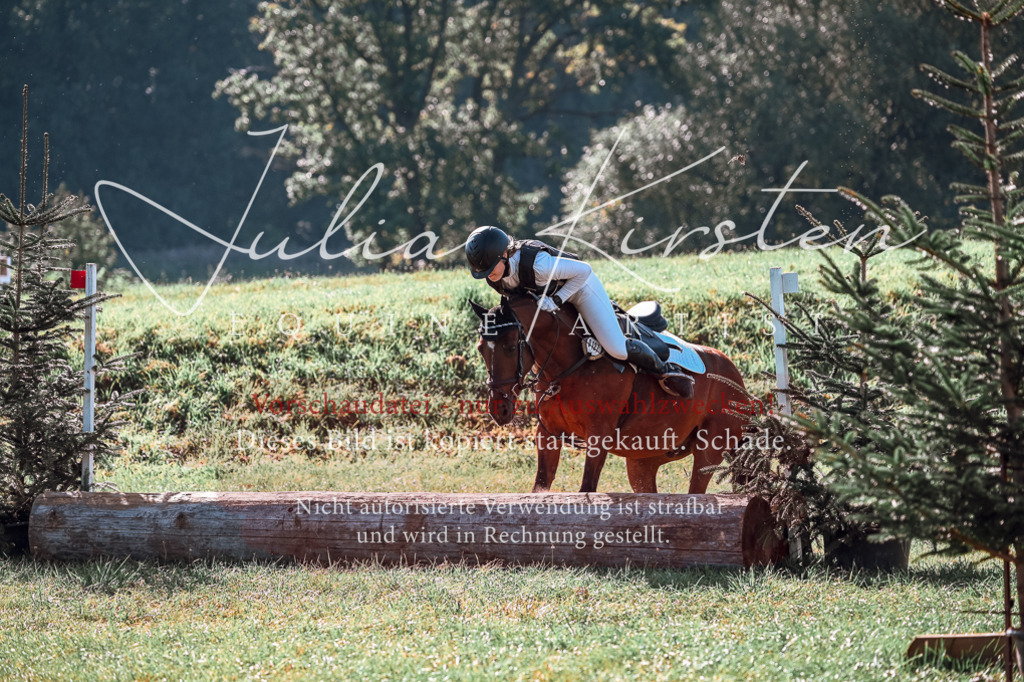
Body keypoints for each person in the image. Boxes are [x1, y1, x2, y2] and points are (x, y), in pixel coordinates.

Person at [465, 225, 692, 397]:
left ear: (505, 254)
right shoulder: (495, 276)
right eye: (482, 271)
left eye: (489, 268)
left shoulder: (538, 265)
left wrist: (557, 299)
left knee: (616, 348)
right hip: (551, 301)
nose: (487, 275)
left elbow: (584, 270)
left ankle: (667, 370)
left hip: (580, 289)